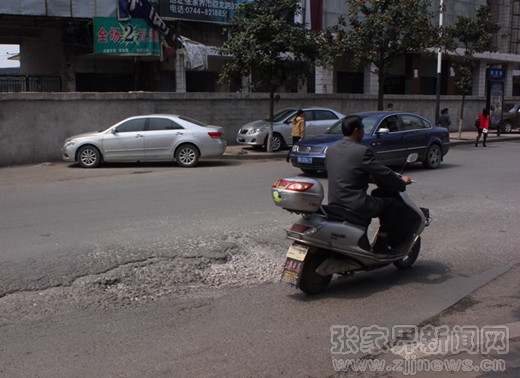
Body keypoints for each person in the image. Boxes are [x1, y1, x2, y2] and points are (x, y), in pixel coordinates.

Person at [325, 115, 412, 254]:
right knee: (391, 206)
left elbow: (347, 172)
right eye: (363, 129)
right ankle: (381, 244)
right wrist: (401, 182)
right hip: (355, 203)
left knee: (377, 200)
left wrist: (368, 178)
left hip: (335, 201)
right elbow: (383, 172)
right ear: (356, 130)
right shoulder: (361, 151)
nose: (363, 133)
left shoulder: (331, 150)